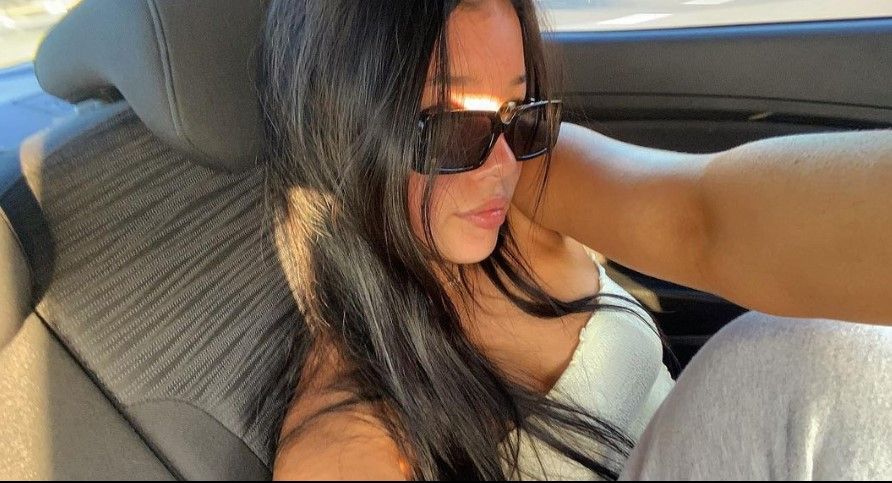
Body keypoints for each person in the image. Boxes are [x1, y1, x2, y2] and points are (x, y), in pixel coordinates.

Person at [254, 0, 892, 479]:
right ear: (341, 129)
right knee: (803, 367)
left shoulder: (523, 189)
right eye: (453, 127)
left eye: (518, 112)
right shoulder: (344, 447)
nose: (504, 162)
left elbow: (705, 219)